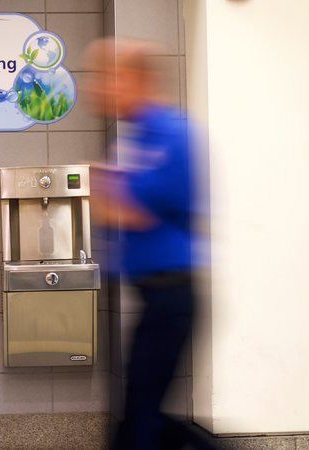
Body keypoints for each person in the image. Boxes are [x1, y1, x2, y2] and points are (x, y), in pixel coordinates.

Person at [82, 38, 215, 450]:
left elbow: (136, 211)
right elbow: (113, 212)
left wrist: (110, 184)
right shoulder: (135, 139)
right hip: (154, 296)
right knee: (142, 416)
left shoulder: (172, 133)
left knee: (141, 423)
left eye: (107, 77)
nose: (98, 88)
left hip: (173, 294)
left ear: (134, 78)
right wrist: (112, 188)